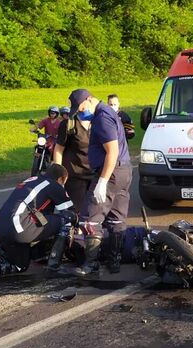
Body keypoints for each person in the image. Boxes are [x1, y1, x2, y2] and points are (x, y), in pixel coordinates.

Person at [0, 164, 75, 285]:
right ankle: (53, 267)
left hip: (2, 227)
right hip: (19, 227)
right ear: (60, 179)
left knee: (19, 266)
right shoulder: (53, 185)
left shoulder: (32, 180)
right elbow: (70, 212)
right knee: (68, 219)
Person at [67, 88, 132, 276]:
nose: (80, 113)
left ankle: (91, 264)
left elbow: (112, 151)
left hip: (110, 172)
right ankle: (114, 261)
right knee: (116, 217)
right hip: (124, 170)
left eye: (81, 109)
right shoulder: (108, 112)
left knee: (90, 218)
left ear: (89, 100)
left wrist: (102, 182)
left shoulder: (102, 118)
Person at [54, 105, 94, 214]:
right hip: (74, 175)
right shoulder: (69, 124)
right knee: (77, 211)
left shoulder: (98, 122)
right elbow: (58, 149)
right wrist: (59, 174)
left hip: (94, 174)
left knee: (94, 211)